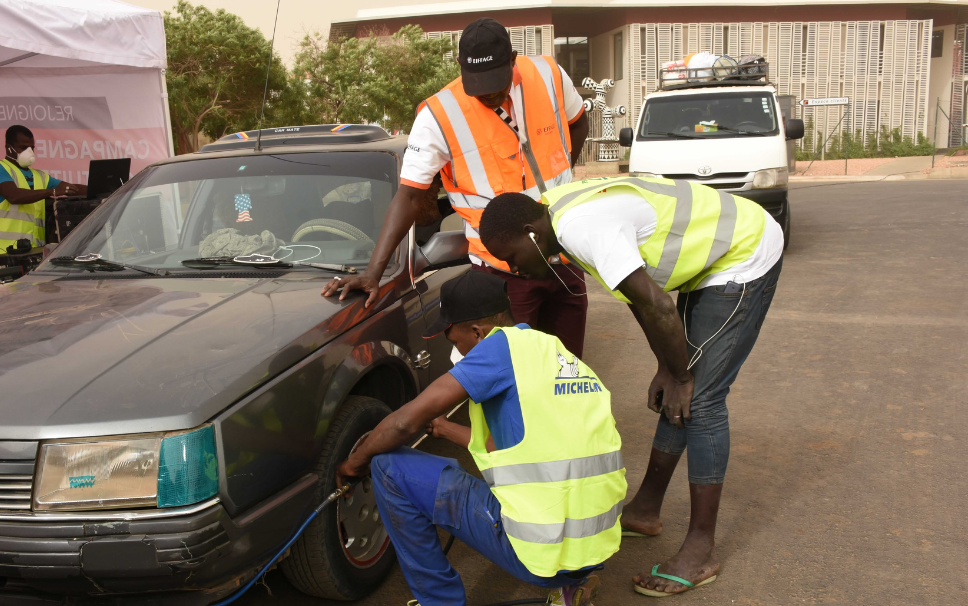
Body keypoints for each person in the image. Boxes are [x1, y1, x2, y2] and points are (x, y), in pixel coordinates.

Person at [476, 177, 783, 598]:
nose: (514, 268)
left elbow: (656, 303)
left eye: (511, 257)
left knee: (703, 398)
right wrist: (665, 364)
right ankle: (644, 510)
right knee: (680, 391)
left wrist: (679, 375)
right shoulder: (553, 217)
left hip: (743, 254)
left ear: (530, 234)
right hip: (709, 261)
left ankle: (700, 549)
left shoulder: (581, 230)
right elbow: (640, 297)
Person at [335, 270, 626, 606]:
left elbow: (403, 424)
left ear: (477, 332)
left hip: (541, 555)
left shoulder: (497, 351)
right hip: (593, 548)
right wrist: (444, 428)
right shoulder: (551, 351)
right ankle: (573, 587)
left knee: (388, 466)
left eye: (453, 339)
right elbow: (523, 448)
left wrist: (354, 463)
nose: (456, 349)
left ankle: (439, 602)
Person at [323, 17, 592, 357]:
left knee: (567, 371)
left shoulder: (548, 74)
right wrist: (374, 272)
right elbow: (409, 195)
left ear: (513, 60)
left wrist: (564, 182)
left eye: (496, 84)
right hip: (502, 271)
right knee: (508, 376)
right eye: (477, 86)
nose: (489, 96)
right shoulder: (438, 115)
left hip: (564, 253)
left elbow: (578, 122)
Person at [0, 124, 87, 254]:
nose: (29, 151)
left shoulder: (40, 177)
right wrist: (52, 192)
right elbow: (14, 196)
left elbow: (69, 188)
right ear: (9, 148)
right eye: (23, 147)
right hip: (3, 251)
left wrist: (103, 188)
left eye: (32, 147)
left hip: (34, 250)